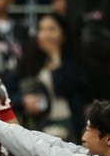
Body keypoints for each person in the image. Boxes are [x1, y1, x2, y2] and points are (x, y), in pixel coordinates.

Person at [17, 14, 85, 142]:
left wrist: (55, 57)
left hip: (66, 123)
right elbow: (10, 91)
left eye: (52, 29)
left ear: (63, 34)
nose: (46, 35)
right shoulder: (29, 62)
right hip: (36, 124)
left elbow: (62, 89)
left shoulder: (73, 62)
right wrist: (24, 101)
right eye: (42, 29)